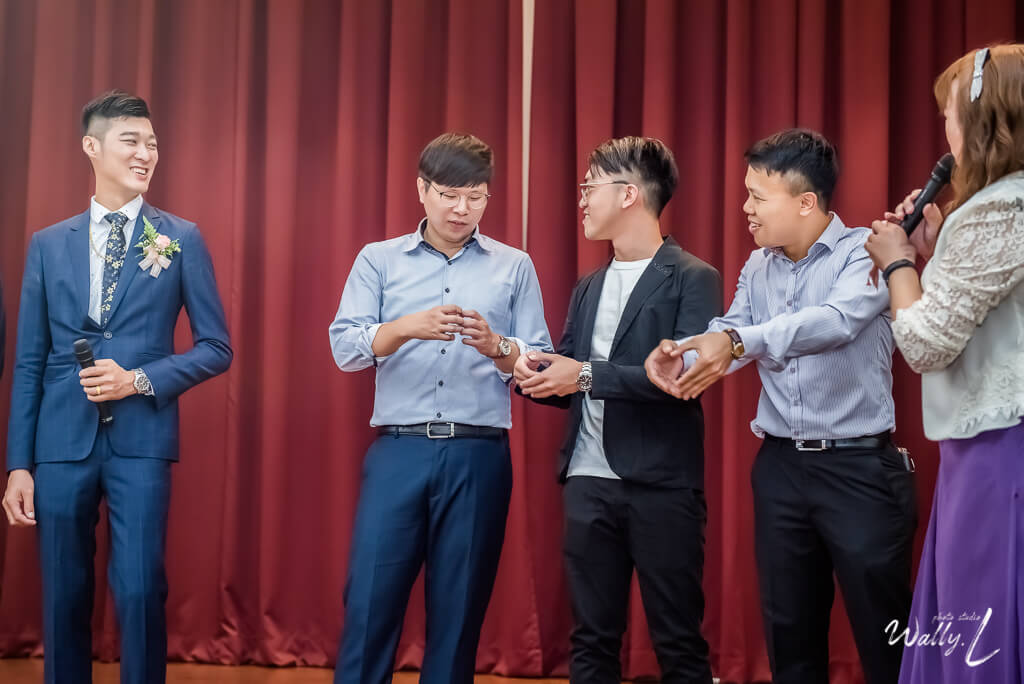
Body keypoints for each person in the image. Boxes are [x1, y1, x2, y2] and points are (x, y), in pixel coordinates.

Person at [646, 128, 917, 684]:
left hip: (859, 470)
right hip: (781, 469)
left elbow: (834, 323)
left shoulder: (865, 253)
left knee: (884, 636)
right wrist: (684, 354)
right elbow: (732, 328)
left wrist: (736, 342)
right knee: (789, 634)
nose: (745, 209)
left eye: (756, 196)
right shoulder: (758, 265)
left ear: (806, 202)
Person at [1, 90, 233, 684]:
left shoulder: (180, 237)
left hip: (141, 442)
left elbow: (216, 348)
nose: (145, 153)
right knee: (62, 594)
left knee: (140, 589)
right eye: (131, 140)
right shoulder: (48, 244)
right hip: (59, 443)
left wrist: (139, 379)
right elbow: (29, 362)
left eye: (152, 143)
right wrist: (19, 464)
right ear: (92, 146)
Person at [328, 132, 552, 684]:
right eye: (450, 195)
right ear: (422, 190)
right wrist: (405, 328)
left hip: (479, 454)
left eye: (476, 197)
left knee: (458, 615)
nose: (462, 209)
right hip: (399, 451)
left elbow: (540, 362)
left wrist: (498, 346)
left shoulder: (514, 265)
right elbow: (344, 349)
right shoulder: (379, 260)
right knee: (369, 603)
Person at [514, 136, 722, 683]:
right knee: (590, 639)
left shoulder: (693, 277)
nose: (581, 198)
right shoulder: (589, 286)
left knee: (678, 641)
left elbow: (682, 378)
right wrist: (519, 366)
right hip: (587, 482)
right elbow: (568, 376)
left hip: (662, 486)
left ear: (629, 194)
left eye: (590, 186)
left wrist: (583, 374)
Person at [865, 44, 1024, 684]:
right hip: (992, 442)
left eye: (951, 116)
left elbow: (928, 342)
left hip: (1002, 448)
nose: (946, 132)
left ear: (984, 123)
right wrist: (933, 256)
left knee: (982, 622)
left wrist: (898, 261)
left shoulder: (998, 207)